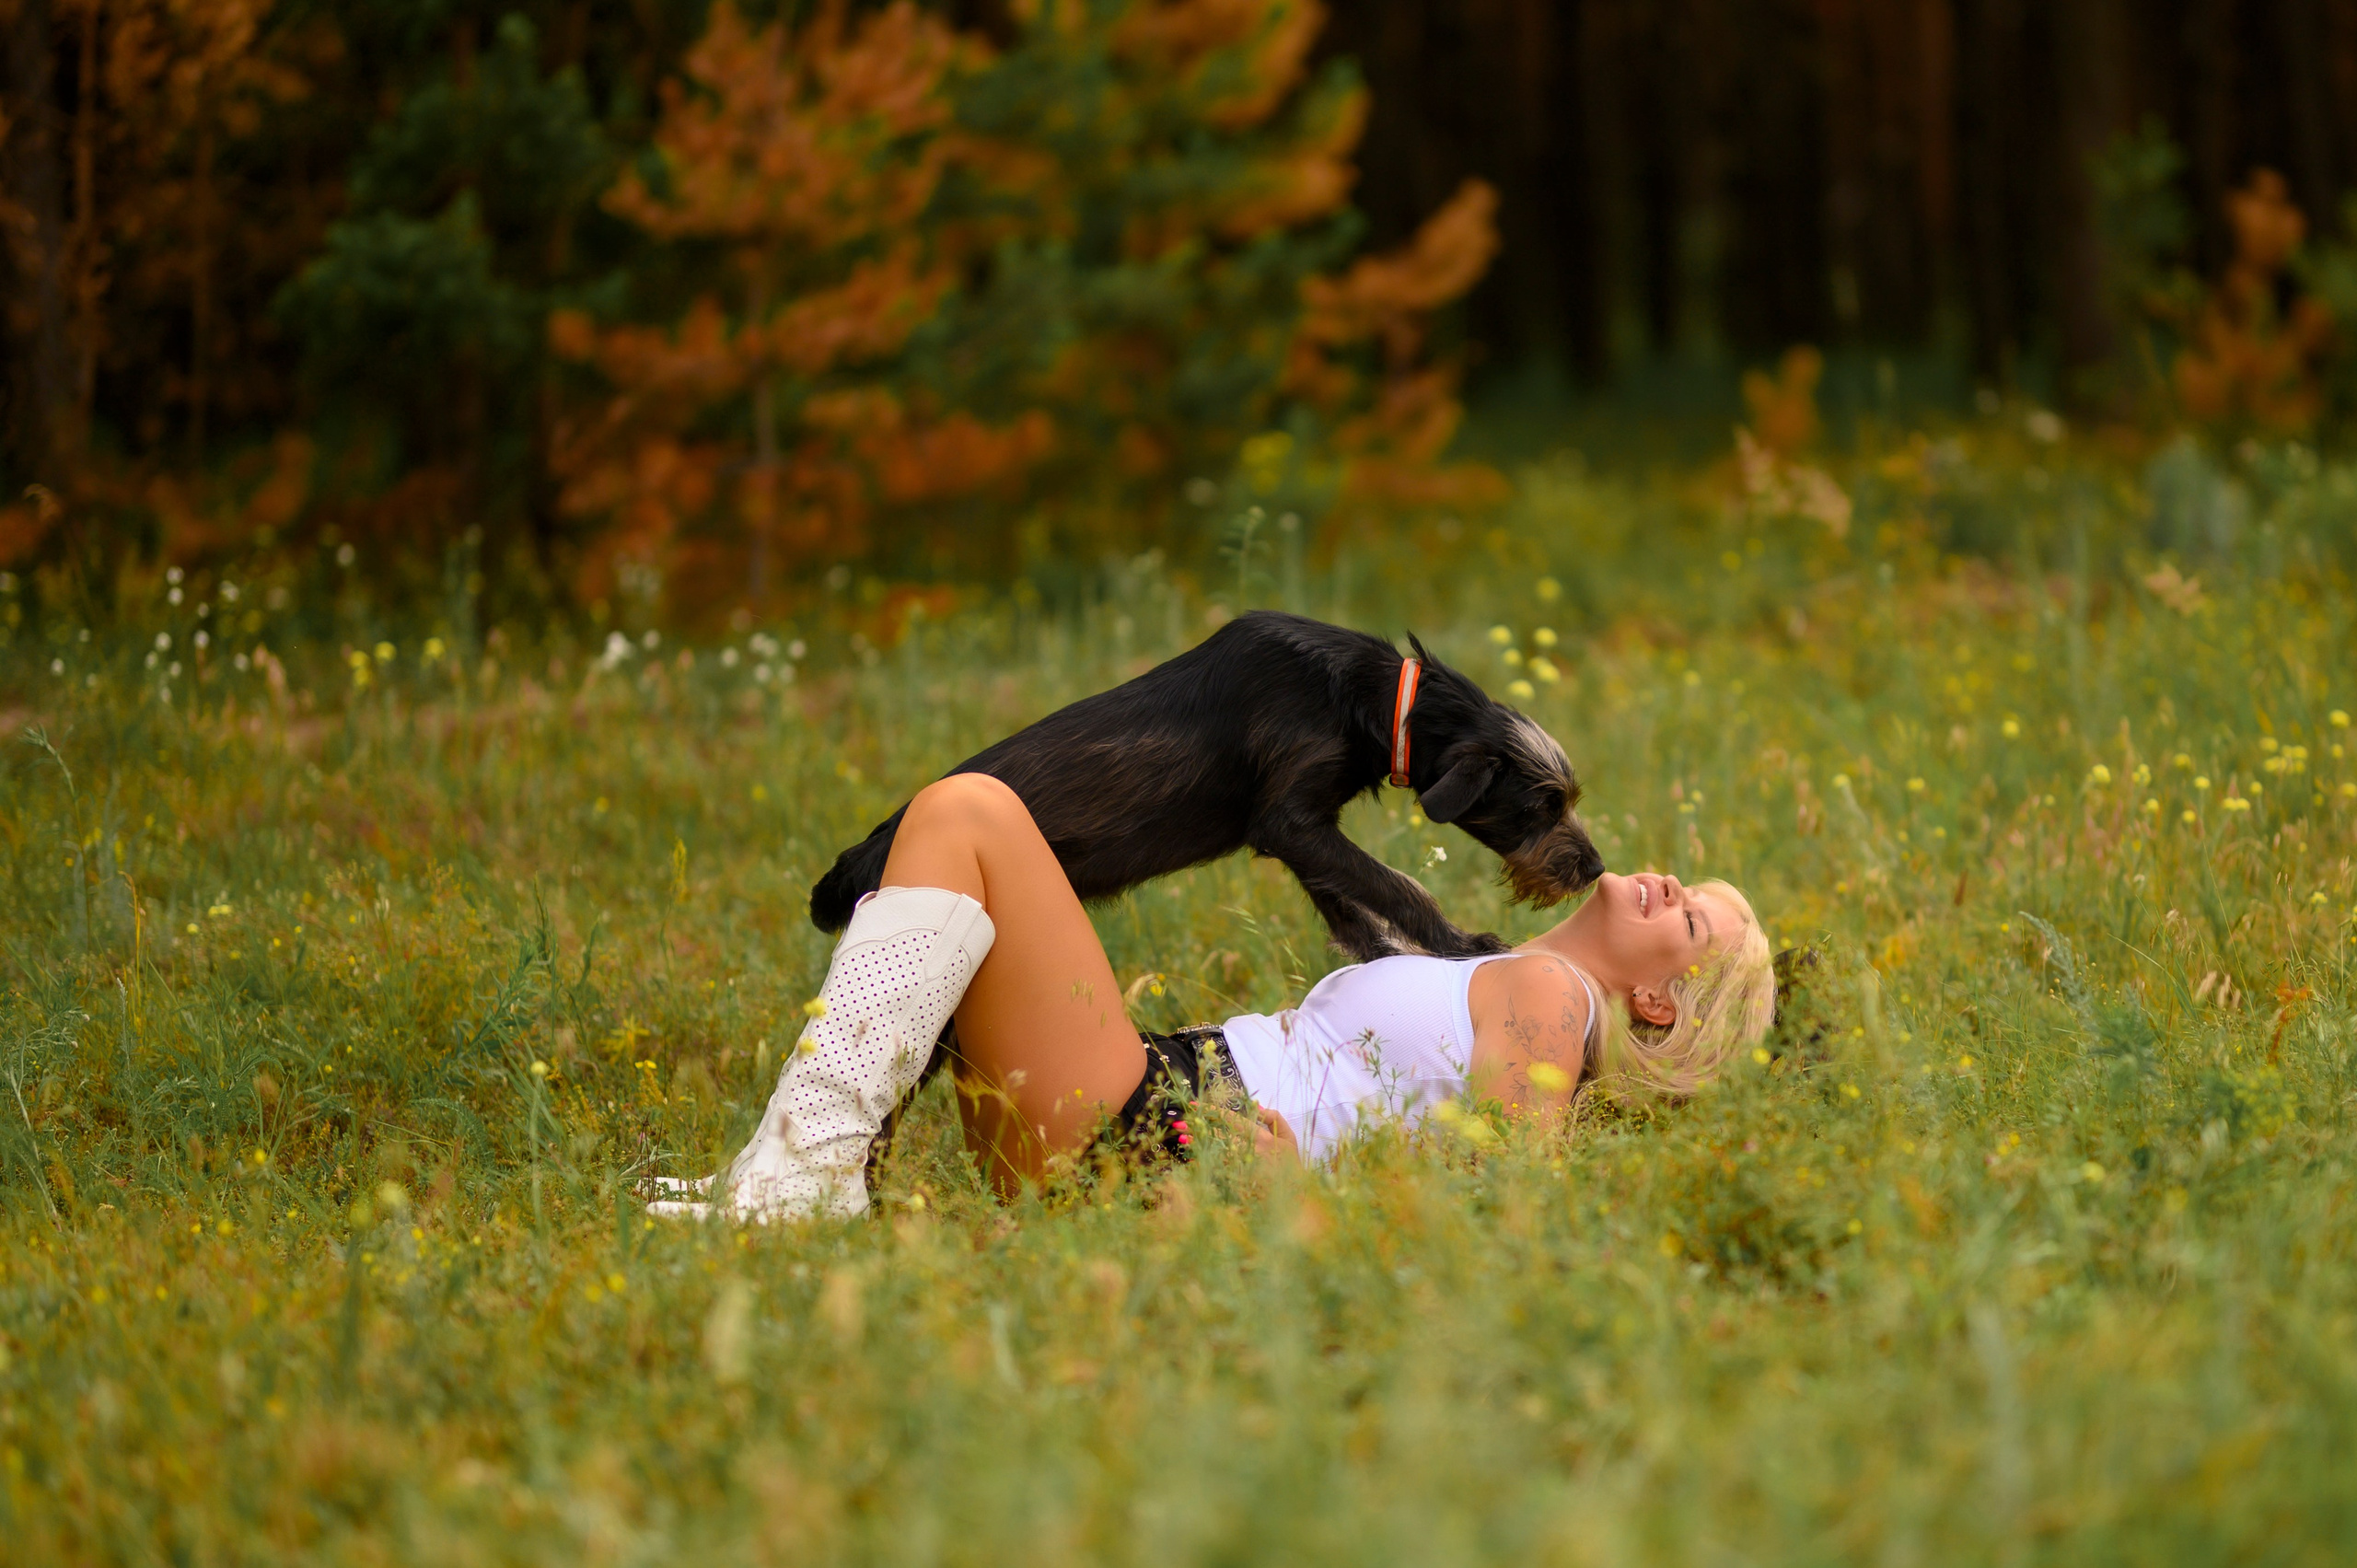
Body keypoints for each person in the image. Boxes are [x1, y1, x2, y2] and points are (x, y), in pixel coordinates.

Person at [652, 774, 1775, 1221]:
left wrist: (1299, 1209)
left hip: (1169, 1131)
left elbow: (1502, 1202)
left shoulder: (1552, 997)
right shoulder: (1513, 976)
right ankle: (808, 1160)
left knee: (972, 813)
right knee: (964, 827)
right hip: (1137, 1113)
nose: (1673, 884)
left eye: (1692, 923)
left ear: (1661, 1004)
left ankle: (808, 1168)